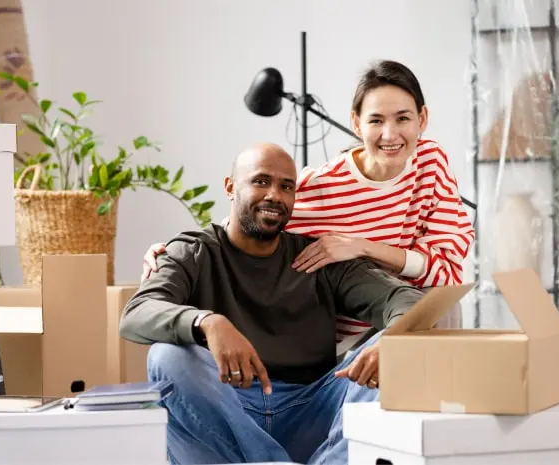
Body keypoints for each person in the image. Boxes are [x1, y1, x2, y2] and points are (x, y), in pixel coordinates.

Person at [119, 142, 425, 464]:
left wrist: (392, 341)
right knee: (167, 356)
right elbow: (138, 312)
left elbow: (408, 301)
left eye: (286, 186)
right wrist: (208, 322)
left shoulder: (317, 258)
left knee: (396, 350)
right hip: (226, 413)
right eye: (261, 181)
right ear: (230, 187)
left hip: (311, 408)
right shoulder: (193, 252)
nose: (274, 195)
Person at [140, 59, 475, 352]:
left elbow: (447, 271)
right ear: (357, 123)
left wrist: (363, 247)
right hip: (352, 341)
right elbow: (246, 222)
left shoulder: (430, 161)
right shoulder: (319, 188)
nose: (390, 134)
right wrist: (174, 251)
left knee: (443, 304)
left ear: (422, 119)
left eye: (403, 118)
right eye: (376, 121)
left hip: (409, 317)